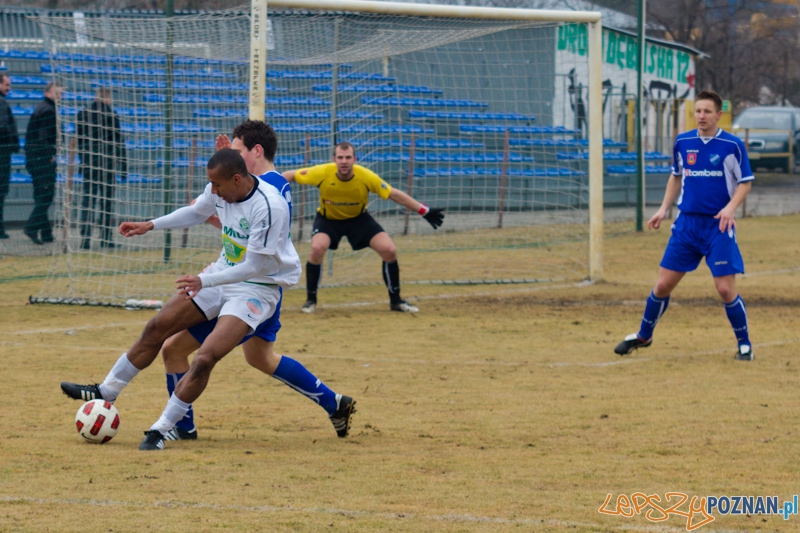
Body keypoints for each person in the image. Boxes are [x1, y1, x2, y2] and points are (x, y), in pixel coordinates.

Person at [60, 149, 352, 451]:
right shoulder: (221, 187)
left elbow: (253, 267)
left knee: (205, 358)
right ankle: (106, 390)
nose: (212, 191)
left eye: (217, 185)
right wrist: (151, 225)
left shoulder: (269, 205)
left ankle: (161, 429)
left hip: (256, 288)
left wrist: (204, 280)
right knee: (158, 328)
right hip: (222, 274)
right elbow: (197, 211)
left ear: (236, 179)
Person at [159, 121, 355, 442]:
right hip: (255, 283)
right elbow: (240, 224)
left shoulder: (270, 191)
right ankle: (335, 403)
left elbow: (248, 234)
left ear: (256, 152)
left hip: (253, 288)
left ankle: (180, 427)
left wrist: (212, 211)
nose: (232, 159)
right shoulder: (265, 184)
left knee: (175, 348)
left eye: (237, 152)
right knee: (260, 358)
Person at [614, 90, 754, 361]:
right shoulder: (683, 141)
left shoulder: (732, 145)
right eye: (698, 111)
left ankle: (744, 344)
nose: (701, 116)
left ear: (718, 115)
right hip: (687, 225)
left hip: (718, 226)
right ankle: (644, 336)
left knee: (725, 289)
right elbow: (676, 177)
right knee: (663, 285)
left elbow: (745, 181)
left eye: (707, 111)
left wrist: (730, 208)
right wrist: (664, 208)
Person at [284, 141, 445, 313]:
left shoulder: (366, 176)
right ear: (334, 159)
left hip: (359, 219)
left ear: (355, 159)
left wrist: (424, 210)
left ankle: (396, 301)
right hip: (328, 219)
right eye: (340, 157)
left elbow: (393, 194)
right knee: (317, 248)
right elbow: (290, 175)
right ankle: (311, 300)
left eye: (348, 157)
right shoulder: (322, 172)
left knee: (389, 250)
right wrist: (267, 189)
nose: (344, 161)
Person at [76, 87, 127, 249]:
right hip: (107, 165)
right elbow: (119, 143)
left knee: (88, 201)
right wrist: (123, 166)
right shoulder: (111, 116)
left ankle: (85, 238)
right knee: (106, 203)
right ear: (108, 99)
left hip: (89, 164)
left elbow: (79, 142)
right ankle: (106, 238)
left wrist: (82, 162)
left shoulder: (82, 114)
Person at [23, 81, 61, 245]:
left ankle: (46, 233)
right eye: (58, 93)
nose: (60, 96)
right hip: (42, 160)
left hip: (34, 159)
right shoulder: (48, 110)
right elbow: (43, 137)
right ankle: (31, 227)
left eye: (61, 94)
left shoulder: (43, 108)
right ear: (48, 93)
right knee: (45, 196)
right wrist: (50, 155)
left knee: (40, 196)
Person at [0, 73, 20, 239]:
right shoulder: (1, 103)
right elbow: (4, 127)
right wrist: (12, 143)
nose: (9, 88)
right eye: (6, 84)